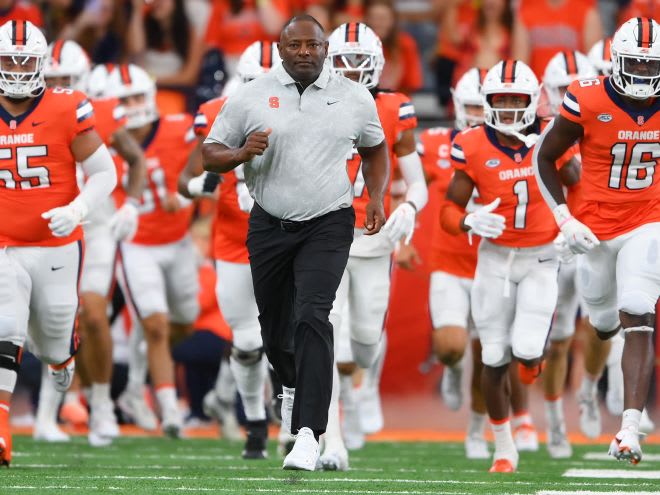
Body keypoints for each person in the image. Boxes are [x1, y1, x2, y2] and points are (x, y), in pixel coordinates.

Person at [202, 15, 388, 471]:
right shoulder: (249, 94)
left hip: (329, 222)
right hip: (268, 221)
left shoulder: (353, 96)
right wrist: (242, 153)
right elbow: (210, 151)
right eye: (295, 45)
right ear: (280, 49)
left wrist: (377, 195)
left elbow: (375, 147)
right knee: (274, 327)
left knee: (313, 316)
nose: (304, 51)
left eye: (313, 44)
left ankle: (309, 434)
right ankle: (288, 388)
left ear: (327, 49)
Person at [533, 17, 660, 465]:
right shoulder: (587, 96)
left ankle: (629, 430)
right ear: (615, 62)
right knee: (604, 324)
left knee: (638, 307)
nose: (645, 76)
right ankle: (589, 386)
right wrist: (564, 218)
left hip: (649, 220)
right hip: (593, 230)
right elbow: (544, 157)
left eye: (653, 67)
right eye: (636, 66)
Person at [441, 59, 578, 473]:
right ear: (486, 102)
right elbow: (449, 210)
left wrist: (572, 225)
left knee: (528, 349)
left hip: (540, 257)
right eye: (499, 100)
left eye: (515, 99)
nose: (506, 107)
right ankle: (503, 447)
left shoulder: (553, 134)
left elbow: (581, 183)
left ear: (532, 100)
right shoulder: (472, 143)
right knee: (494, 355)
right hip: (495, 259)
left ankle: (532, 365)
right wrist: (469, 219)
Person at [0, 20, 117, 466]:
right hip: (4, 242)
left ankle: (60, 356)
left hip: (56, 244)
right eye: (7, 59)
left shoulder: (68, 106)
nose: (14, 68)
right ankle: (2, 431)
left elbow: (105, 172)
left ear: (41, 62)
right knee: (4, 327)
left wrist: (78, 210)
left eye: (23, 59)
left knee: (51, 344)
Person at [318, 22, 428, 471]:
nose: (349, 70)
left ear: (377, 66)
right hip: (324, 234)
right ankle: (332, 440)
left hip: (374, 237)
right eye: (341, 61)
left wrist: (410, 209)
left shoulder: (394, 107)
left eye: (358, 63)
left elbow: (417, 183)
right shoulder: (312, 102)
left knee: (364, 342)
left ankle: (366, 384)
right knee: (330, 339)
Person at [32, 42, 147, 448]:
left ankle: (100, 405)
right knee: (53, 321)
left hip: (95, 228)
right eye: (54, 78)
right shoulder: (25, 110)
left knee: (94, 315)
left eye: (67, 79)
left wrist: (131, 206)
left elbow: (135, 159)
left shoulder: (95, 111)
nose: (60, 86)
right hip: (49, 228)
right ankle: (50, 413)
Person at [179, 39, 282, 460]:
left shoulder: (311, 113)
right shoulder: (214, 114)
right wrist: (206, 185)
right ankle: (255, 423)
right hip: (235, 243)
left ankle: (294, 426)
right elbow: (187, 181)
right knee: (245, 340)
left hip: (286, 239)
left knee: (289, 337)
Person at [106, 63, 198, 439]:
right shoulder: (103, 139)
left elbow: (212, 154)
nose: (132, 105)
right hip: (137, 245)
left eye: (136, 97)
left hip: (178, 242)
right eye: (123, 99)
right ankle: (170, 408)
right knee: (156, 325)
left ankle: (139, 374)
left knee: (184, 323)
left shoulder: (179, 128)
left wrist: (188, 191)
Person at [421, 67, 490, 460]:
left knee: (489, 356)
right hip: (449, 260)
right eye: (472, 107)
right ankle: (450, 367)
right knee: (451, 346)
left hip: (493, 264)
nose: (479, 115)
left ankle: (477, 430)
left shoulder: (517, 146)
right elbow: (399, 170)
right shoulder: (434, 144)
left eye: (486, 107)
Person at [539, 49, 596, 459]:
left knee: (604, 324)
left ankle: (590, 389)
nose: (570, 95)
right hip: (558, 238)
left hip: (602, 233)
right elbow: (572, 172)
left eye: (577, 87)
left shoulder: (614, 116)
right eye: (563, 89)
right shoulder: (547, 127)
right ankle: (555, 420)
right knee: (558, 341)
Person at [511, 0, 603, 78]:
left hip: (573, 88)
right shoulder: (527, 9)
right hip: (538, 89)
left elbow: (594, 62)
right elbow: (520, 65)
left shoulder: (586, 10)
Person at [364, 0, 423, 94]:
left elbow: (412, 84)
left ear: (393, 20)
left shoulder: (405, 44)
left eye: (383, 18)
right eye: (373, 18)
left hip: (396, 102)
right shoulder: (357, 45)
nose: (377, 23)